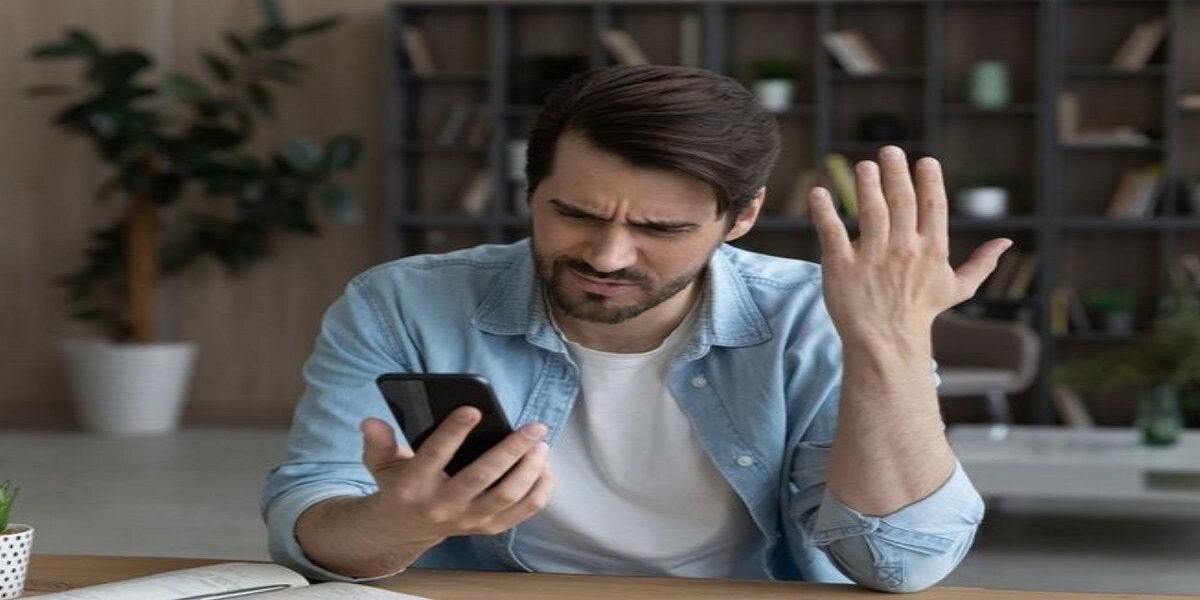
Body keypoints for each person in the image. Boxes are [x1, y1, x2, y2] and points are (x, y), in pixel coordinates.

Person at [262, 65, 1010, 593]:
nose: (608, 256)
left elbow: (900, 565)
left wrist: (891, 344)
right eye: (574, 213)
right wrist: (398, 523)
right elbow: (311, 528)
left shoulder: (814, 316)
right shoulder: (401, 301)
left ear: (742, 216)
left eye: (662, 228)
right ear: (531, 188)